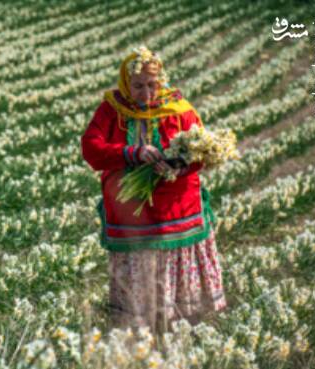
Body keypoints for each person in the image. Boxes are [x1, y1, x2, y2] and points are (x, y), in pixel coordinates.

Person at [81, 46, 227, 335]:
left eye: (152, 85)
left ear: (162, 82)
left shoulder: (179, 109)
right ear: (126, 83)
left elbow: (201, 152)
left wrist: (177, 168)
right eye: (137, 86)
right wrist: (131, 152)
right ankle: (139, 322)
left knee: (174, 257)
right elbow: (91, 149)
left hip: (176, 206)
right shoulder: (113, 109)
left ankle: (184, 322)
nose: (145, 92)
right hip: (130, 209)